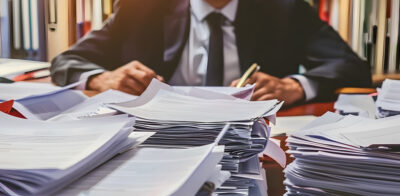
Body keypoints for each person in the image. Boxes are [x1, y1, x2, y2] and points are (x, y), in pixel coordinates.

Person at [51, 0, 372, 106]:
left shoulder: (284, 8)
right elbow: (65, 62)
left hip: (255, 143)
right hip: (156, 138)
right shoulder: (141, 7)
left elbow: (352, 67)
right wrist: (103, 78)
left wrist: (296, 86)